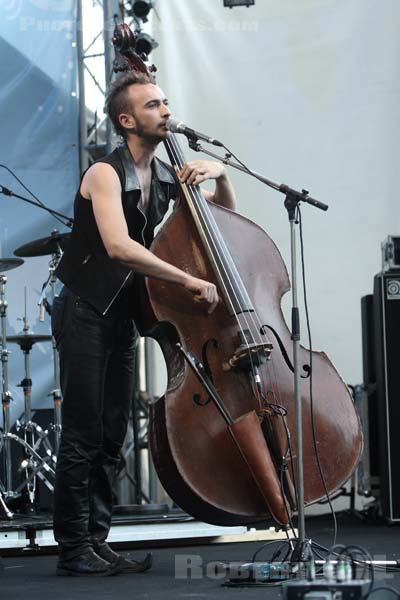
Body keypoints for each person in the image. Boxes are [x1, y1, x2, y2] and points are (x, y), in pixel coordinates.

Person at [51, 70, 236, 577]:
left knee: (113, 433)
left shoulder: (166, 175)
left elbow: (221, 224)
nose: (166, 110)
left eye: (166, 101)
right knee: (84, 433)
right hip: (86, 309)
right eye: (154, 105)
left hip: (122, 315)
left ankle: (97, 540)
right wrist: (184, 281)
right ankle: (72, 548)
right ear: (126, 120)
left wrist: (221, 175)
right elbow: (118, 246)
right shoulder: (105, 174)